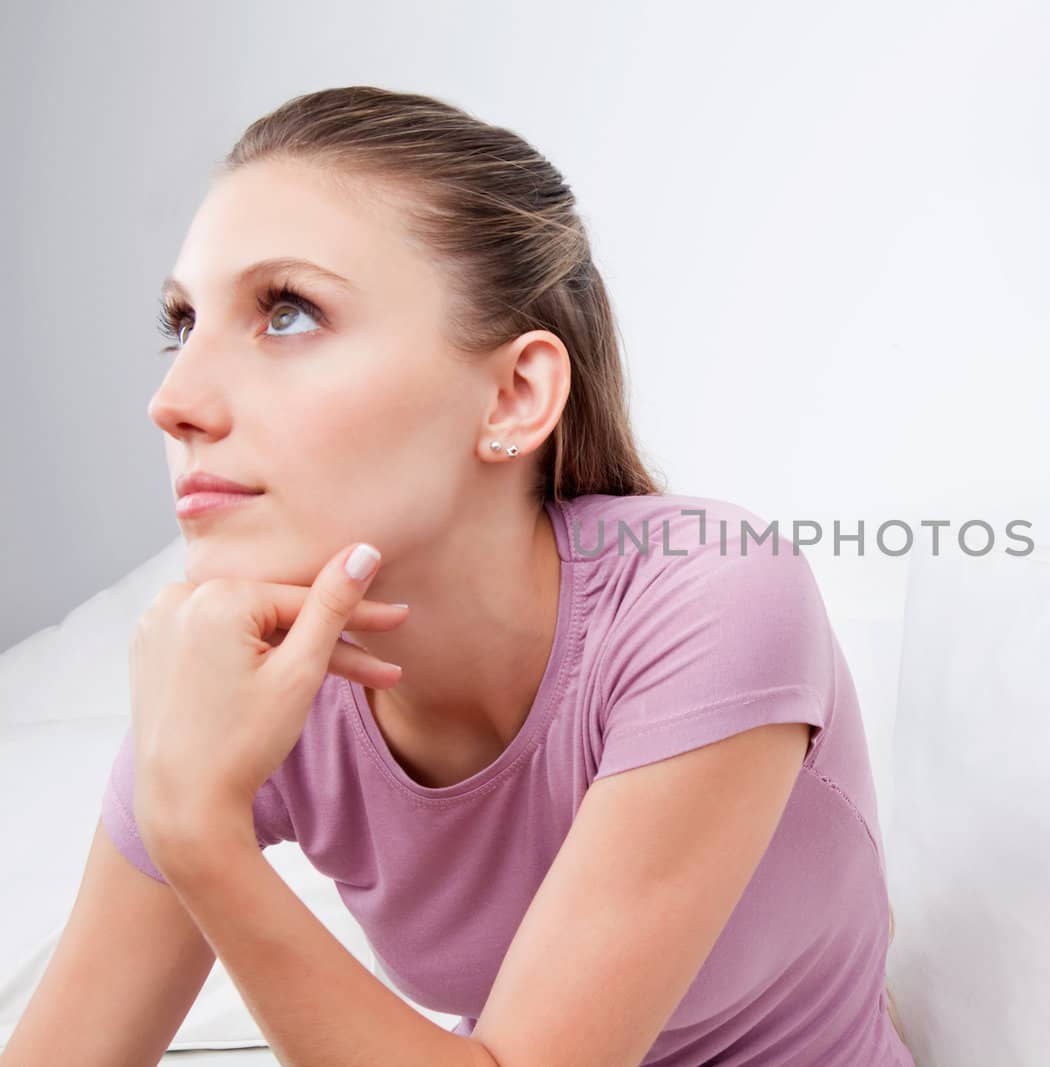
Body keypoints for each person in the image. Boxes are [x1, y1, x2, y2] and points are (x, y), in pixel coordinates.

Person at [62, 85, 910, 1065]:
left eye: (286, 312)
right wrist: (184, 794)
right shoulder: (236, 683)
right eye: (181, 323)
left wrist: (197, 833)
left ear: (513, 392)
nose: (173, 400)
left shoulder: (711, 592)